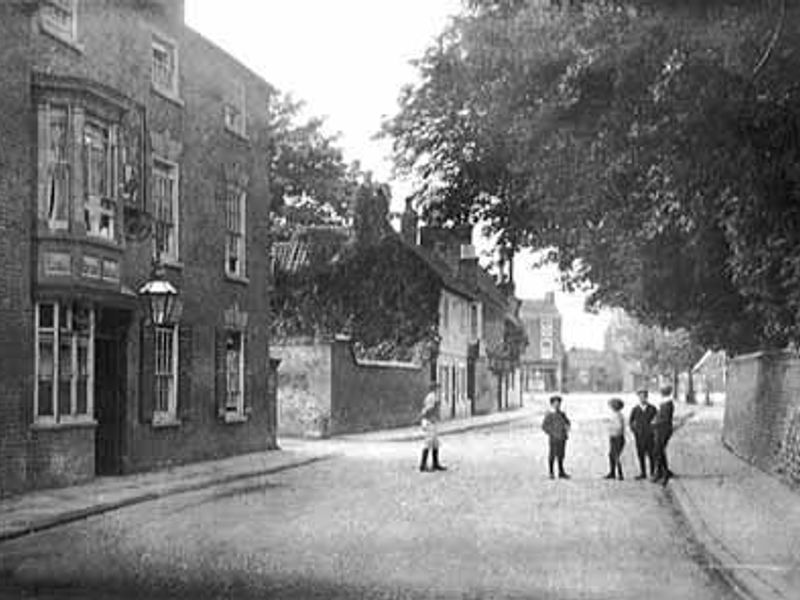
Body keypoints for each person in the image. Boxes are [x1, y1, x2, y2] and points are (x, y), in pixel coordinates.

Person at [629, 387, 657, 480]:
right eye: (640, 397)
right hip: (639, 436)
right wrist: (635, 431)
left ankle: (653, 472)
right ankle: (643, 472)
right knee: (640, 454)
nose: (642, 399)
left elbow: (656, 420)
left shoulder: (652, 409)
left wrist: (653, 430)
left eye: (644, 397)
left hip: (650, 436)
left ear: (647, 397)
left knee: (651, 455)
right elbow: (631, 422)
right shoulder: (635, 409)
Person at [541, 395, 571, 479]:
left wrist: (567, 427)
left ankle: (561, 471)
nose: (557, 405)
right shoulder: (549, 414)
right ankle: (551, 472)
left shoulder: (562, 414)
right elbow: (544, 426)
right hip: (553, 438)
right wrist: (551, 432)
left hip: (562, 437)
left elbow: (567, 422)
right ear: (552, 404)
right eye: (555, 403)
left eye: (559, 403)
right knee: (552, 455)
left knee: (561, 455)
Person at [419, 382, 446, 472]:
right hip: (430, 422)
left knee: (435, 443)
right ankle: (423, 465)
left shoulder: (433, 396)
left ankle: (435, 463)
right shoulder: (432, 397)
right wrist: (426, 418)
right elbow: (428, 409)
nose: (439, 390)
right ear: (434, 389)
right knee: (428, 442)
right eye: (438, 388)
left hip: (433, 421)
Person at [651, 385, 675, 484]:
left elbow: (665, 419)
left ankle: (663, 473)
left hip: (663, 430)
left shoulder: (668, 404)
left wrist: (655, 423)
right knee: (659, 451)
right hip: (661, 429)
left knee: (658, 451)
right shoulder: (665, 403)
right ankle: (663, 471)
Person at [605, 398, 626, 480]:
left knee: (615, 455)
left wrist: (611, 425)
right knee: (612, 455)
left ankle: (619, 473)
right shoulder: (616, 414)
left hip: (617, 437)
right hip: (615, 437)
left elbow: (619, 427)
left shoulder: (618, 415)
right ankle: (612, 472)